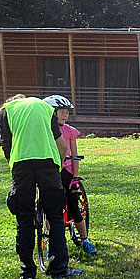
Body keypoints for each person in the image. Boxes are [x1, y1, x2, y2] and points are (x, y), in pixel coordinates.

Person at [0, 94, 81, 279]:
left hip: (21, 165)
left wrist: (14, 170)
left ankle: (27, 272)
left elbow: (7, 147)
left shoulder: (6, 112)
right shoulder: (45, 108)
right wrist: (59, 165)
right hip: (48, 164)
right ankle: (59, 269)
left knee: (24, 218)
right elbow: (62, 145)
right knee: (56, 217)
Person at [43, 94, 97, 255]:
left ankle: (85, 239)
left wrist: (75, 177)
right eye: (62, 112)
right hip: (51, 172)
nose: (65, 115)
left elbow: (74, 155)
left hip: (67, 172)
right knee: (51, 209)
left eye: (67, 112)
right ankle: (50, 241)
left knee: (73, 206)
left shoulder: (70, 131)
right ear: (53, 113)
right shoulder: (45, 131)